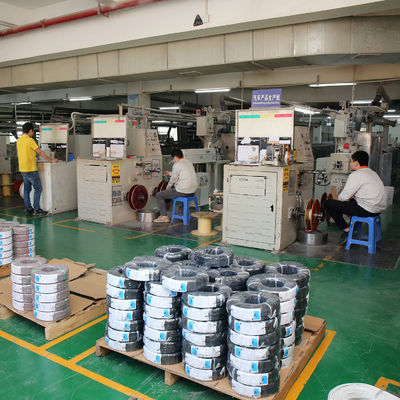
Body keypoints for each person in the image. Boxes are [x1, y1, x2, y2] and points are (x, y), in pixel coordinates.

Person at [325, 150, 386, 244]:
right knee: (351, 203)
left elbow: (342, 198)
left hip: (367, 210)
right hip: (378, 210)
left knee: (328, 203)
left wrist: (345, 197)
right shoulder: (372, 173)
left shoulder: (356, 175)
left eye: (351, 161)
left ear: (356, 163)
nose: (350, 164)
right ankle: (353, 227)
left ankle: (347, 229)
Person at [16, 122, 58, 216]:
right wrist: (50, 160)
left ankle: (29, 209)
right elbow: (39, 152)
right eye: (33, 131)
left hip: (23, 169)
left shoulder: (19, 140)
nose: (33, 133)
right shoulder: (30, 140)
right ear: (30, 131)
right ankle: (36, 209)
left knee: (27, 190)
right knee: (38, 188)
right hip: (31, 169)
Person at [154, 148, 198, 223]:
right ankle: (184, 213)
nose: (173, 160)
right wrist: (169, 173)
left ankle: (164, 216)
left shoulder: (176, 164)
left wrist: (168, 187)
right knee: (181, 189)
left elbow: (173, 179)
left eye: (173, 158)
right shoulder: (188, 162)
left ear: (175, 157)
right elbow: (181, 174)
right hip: (193, 191)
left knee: (159, 195)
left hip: (183, 192)